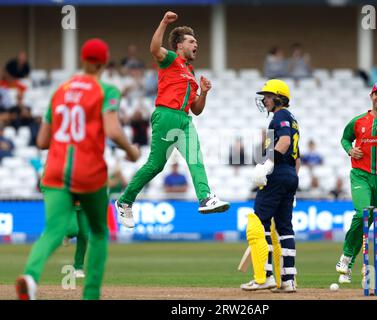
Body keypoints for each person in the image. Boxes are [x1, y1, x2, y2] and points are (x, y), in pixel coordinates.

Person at [15, 38, 140, 300]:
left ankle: (30, 276)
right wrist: (131, 151)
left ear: (82, 60)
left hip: (55, 170)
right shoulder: (106, 90)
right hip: (88, 172)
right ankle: (90, 294)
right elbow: (114, 130)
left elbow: (41, 141)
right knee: (97, 232)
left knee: (52, 230)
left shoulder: (60, 91)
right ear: (104, 63)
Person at [115, 11, 230, 228]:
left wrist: (204, 92)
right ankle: (125, 201)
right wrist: (164, 22)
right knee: (155, 166)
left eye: (196, 41)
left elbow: (196, 110)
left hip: (184, 119)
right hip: (166, 115)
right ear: (179, 45)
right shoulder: (170, 59)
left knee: (196, 158)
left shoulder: (190, 72)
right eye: (191, 41)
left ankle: (205, 197)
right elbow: (153, 49)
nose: (196, 44)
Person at [335, 81, 377, 284]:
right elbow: (345, 139)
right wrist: (349, 150)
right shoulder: (358, 121)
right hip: (360, 174)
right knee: (363, 212)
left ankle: (348, 262)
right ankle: (346, 256)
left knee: (368, 220)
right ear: (371, 96)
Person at [240, 79, 301, 293]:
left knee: (259, 221)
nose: (264, 99)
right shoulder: (292, 119)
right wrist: (291, 183)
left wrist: (267, 165)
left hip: (277, 175)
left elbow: (284, 143)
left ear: (278, 97)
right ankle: (288, 280)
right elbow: (297, 158)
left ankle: (264, 276)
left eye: (267, 96)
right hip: (290, 175)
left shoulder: (281, 116)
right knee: (284, 227)